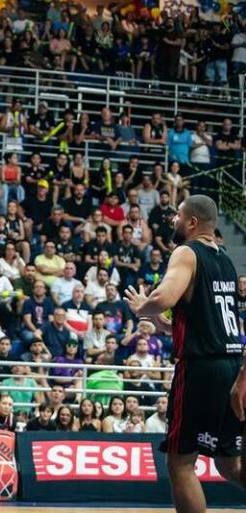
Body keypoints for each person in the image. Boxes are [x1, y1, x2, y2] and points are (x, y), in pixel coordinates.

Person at [125, 195, 245, 513]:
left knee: (180, 463)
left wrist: (142, 307)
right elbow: (194, 323)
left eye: (177, 215)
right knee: (229, 465)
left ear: (192, 222)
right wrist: (157, 322)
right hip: (232, 368)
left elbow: (164, 297)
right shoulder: (226, 260)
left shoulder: (186, 252)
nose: (173, 220)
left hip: (201, 371)